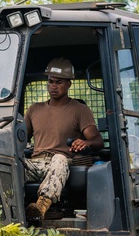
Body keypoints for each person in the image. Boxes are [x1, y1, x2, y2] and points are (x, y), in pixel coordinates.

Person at [23, 57, 104, 222]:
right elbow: (20, 138)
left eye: (58, 82)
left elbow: (97, 141)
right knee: (12, 163)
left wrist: (86, 142)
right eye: (50, 81)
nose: (53, 86)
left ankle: (40, 207)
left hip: (61, 162)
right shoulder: (34, 110)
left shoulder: (79, 110)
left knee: (59, 159)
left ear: (68, 84)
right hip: (36, 162)